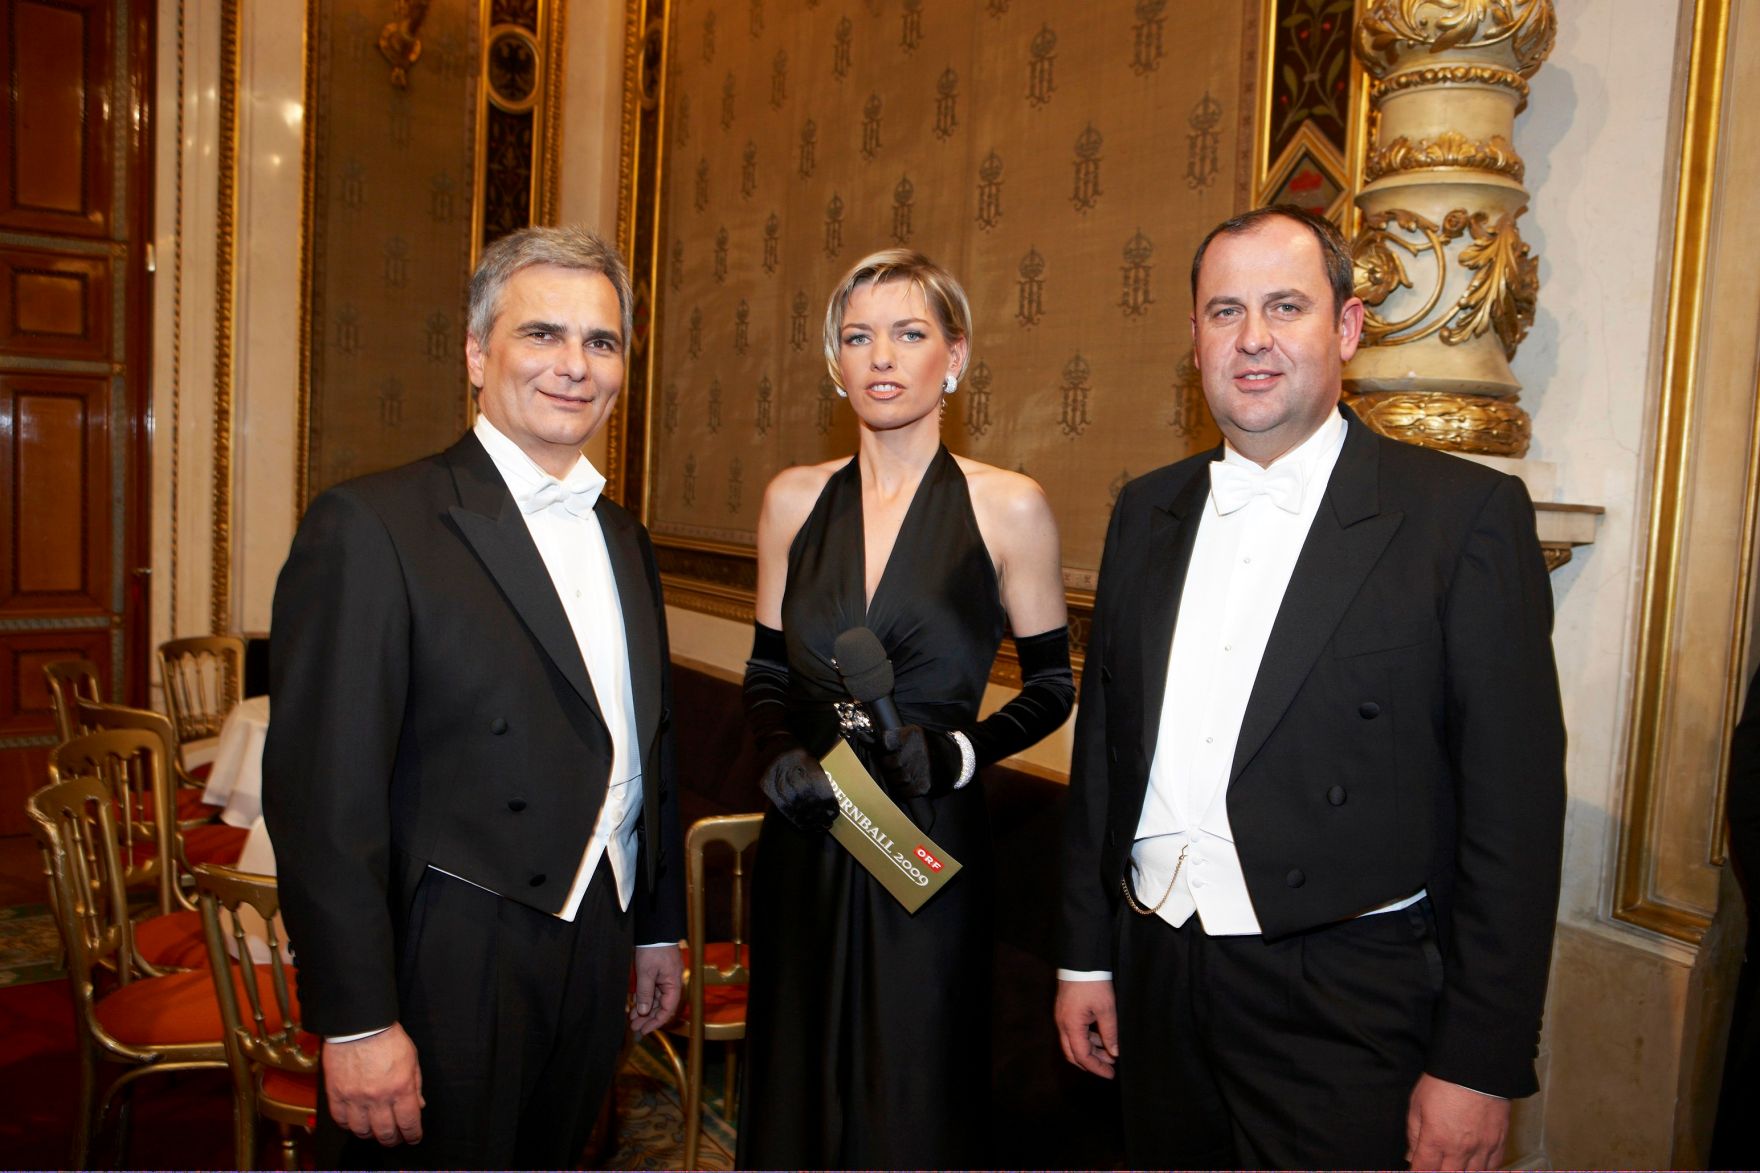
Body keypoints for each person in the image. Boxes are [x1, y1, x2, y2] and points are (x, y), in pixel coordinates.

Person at [1054, 206, 1566, 1171]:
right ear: (1193, 338)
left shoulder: (1461, 519)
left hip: (1341, 999)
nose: (1252, 339)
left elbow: (1515, 817)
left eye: (1285, 307)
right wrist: (1087, 953)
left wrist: (1478, 1061)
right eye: (1224, 311)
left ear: (1348, 328)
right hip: (1158, 971)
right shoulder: (1146, 509)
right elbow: (1106, 753)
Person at [263, 226, 685, 1169]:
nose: (575, 365)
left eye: (602, 342)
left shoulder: (625, 537)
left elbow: (646, 744)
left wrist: (658, 927)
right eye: (542, 335)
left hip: (598, 936)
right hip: (453, 948)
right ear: (475, 353)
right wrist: (358, 1018)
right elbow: (324, 803)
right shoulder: (373, 524)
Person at [736, 248, 1075, 1168]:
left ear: (954, 357)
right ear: (834, 362)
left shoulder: (1009, 507)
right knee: (795, 1085)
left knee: (913, 1094)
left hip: (923, 839)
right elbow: (767, 672)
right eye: (858, 336)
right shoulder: (792, 501)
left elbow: (1052, 686)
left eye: (910, 333)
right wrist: (775, 749)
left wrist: (960, 755)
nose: (881, 356)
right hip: (809, 833)